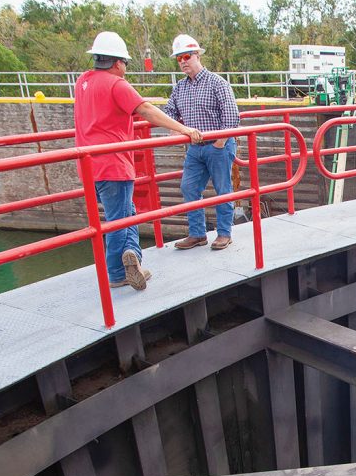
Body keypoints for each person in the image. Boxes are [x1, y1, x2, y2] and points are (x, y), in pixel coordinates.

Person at [74, 31, 202, 290]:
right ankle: (118, 272)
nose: (125, 68)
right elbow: (145, 110)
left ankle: (133, 256)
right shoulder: (115, 84)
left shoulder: (83, 81)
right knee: (119, 220)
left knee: (126, 213)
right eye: (125, 63)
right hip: (113, 163)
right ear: (117, 62)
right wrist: (183, 129)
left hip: (88, 164)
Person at [164, 34, 241, 251]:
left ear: (197, 55)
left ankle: (224, 233)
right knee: (189, 187)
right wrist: (174, 128)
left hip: (218, 145)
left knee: (223, 189)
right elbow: (169, 112)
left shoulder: (217, 83)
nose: (182, 62)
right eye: (178, 58)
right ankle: (197, 233)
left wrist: (220, 141)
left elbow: (231, 115)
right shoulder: (180, 88)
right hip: (195, 148)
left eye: (186, 56)